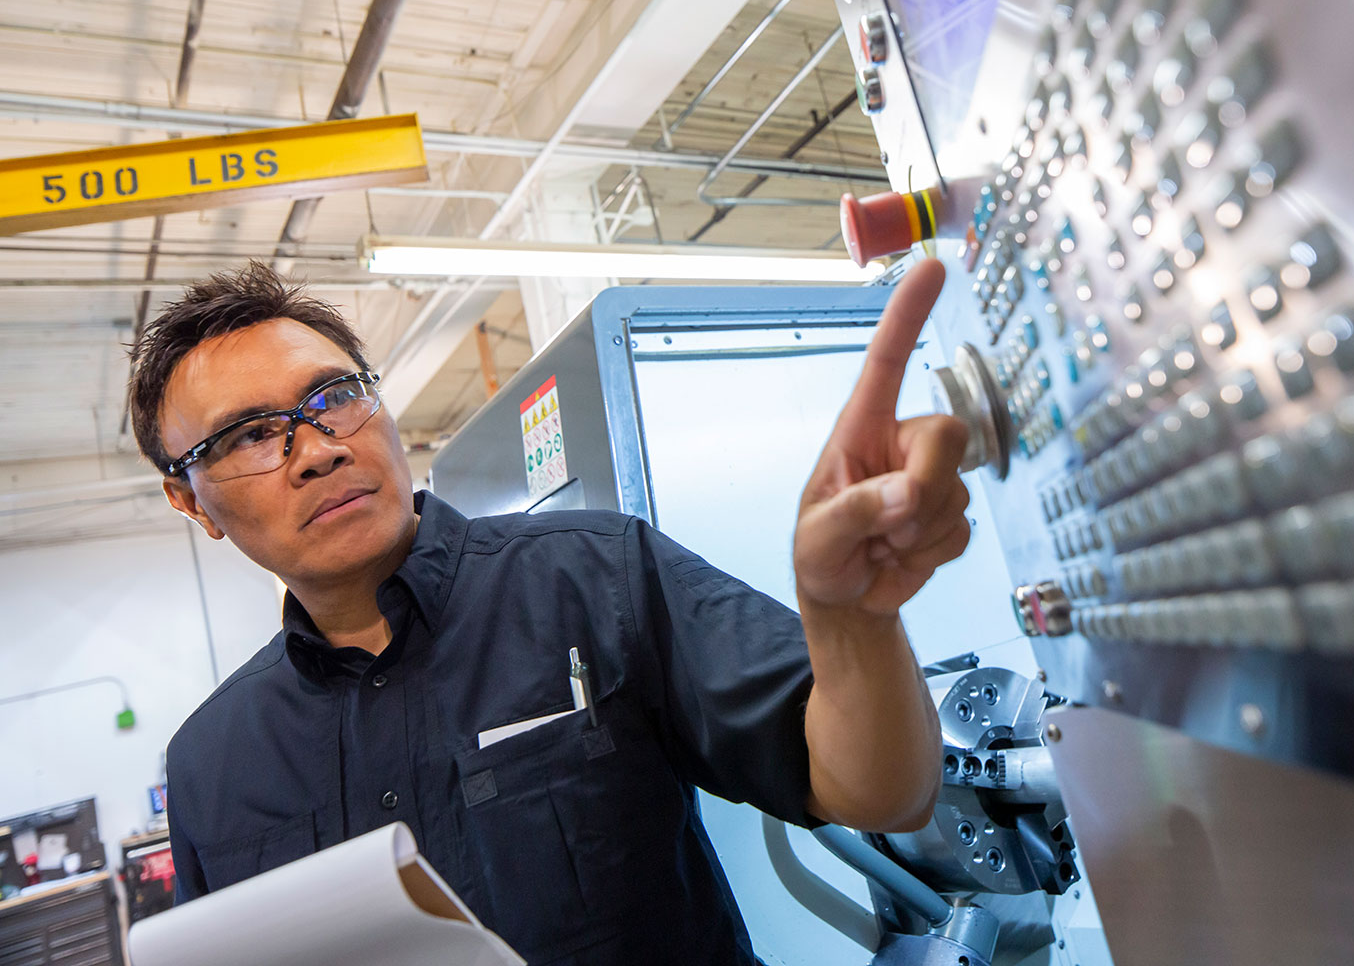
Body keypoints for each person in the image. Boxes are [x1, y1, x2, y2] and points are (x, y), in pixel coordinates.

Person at [129, 257, 969, 965]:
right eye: (247, 437)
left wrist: (850, 620)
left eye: (334, 396)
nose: (316, 448)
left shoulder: (597, 574)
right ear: (189, 500)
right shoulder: (211, 769)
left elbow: (883, 794)